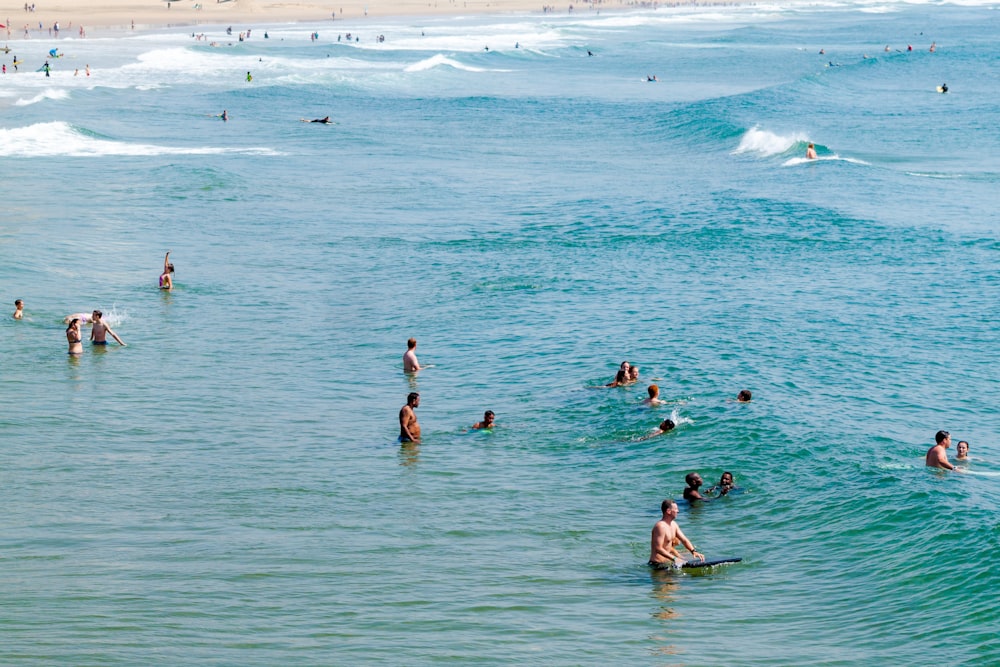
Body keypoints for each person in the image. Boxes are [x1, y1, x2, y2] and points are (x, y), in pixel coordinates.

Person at [649, 499, 704, 567]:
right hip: (657, 565)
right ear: (668, 511)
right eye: (676, 509)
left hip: (668, 563)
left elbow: (684, 540)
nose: (678, 511)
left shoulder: (674, 524)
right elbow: (658, 548)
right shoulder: (660, 527)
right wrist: (675, 558)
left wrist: (693, 551)